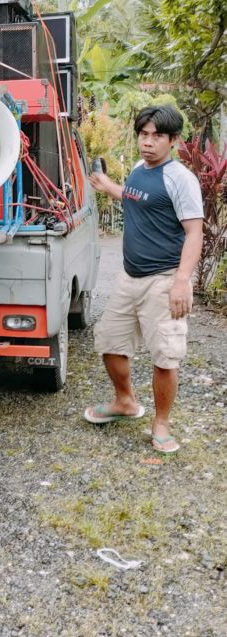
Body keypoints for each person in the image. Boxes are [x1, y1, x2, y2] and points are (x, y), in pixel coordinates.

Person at [84, 105, 203, 453]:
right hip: (129, 277)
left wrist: (182, 281)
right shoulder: (139, 169)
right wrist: (109, 186)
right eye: (143, 135)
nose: (148, 143)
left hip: (164, 279)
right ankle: (125, 402)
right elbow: (135, 199)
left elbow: (194, 233)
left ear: (173, 141)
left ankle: (161, 424)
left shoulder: (180, 179)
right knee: (109, 342)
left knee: (165, 356)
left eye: (157, 136)